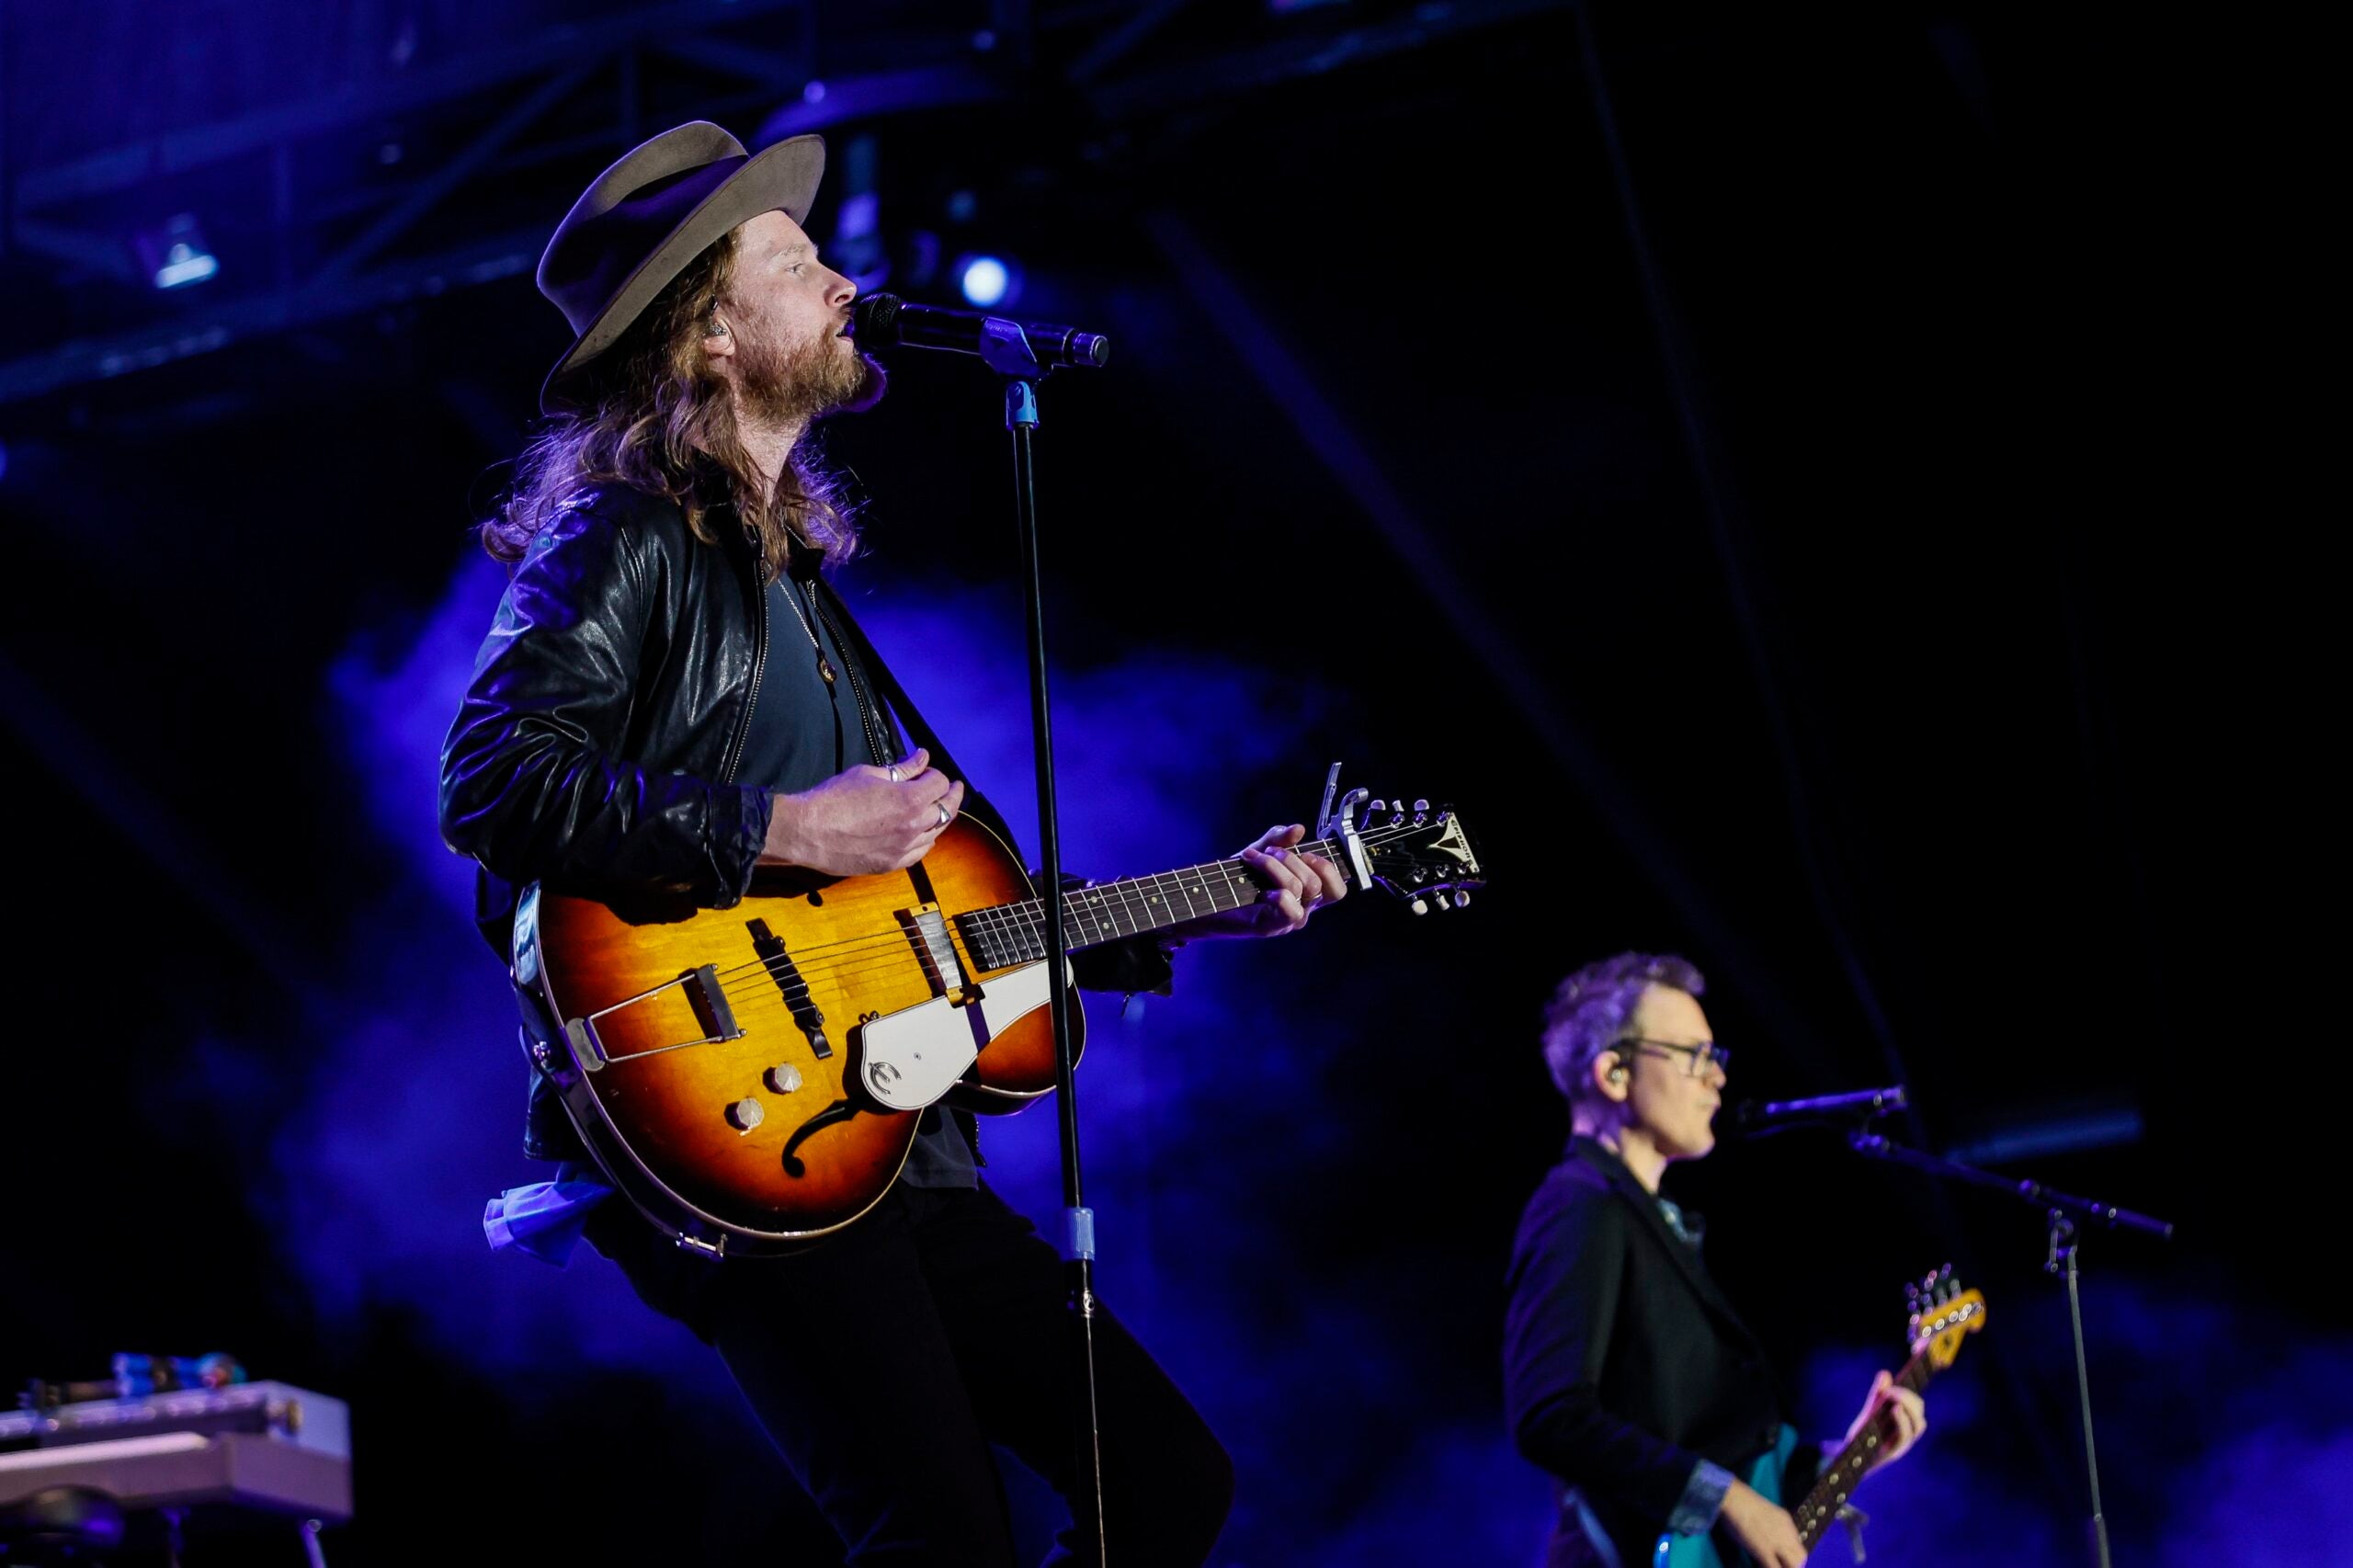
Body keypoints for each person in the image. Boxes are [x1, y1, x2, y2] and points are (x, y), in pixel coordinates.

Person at [438, 120, 1347, 1565]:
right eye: (797, 265)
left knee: (1166, 1484)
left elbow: (937, 918)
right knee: (940, 1536)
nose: (844, 281)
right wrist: (789, 825)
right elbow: (491, 777)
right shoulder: (626, 536)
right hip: (751, 1132)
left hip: (901, 1150)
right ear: (715, 335)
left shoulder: (792, 581)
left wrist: (1210, 904)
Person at [1501, 952, 1927, 1568]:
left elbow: (1722, 1460)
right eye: (1695, 1055)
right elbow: (1548, 1413)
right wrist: (1724, 1496)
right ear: (1614, 1073)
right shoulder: (1579, 1204)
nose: (1717, 1078)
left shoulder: (1651, 1224)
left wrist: (1849, 1454)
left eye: (1715, 1058)